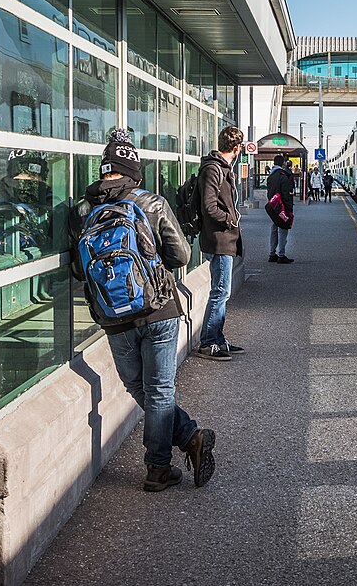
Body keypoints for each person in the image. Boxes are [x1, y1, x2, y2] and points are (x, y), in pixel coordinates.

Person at [72, 129, 216, 492]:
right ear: (133, 171)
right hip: (158, 310)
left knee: (139, 386)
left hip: (113, 318)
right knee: (160, 390)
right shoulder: (151, 202)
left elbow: (77, 268)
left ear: (104, 170)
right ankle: (164, 461)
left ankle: (182, 443)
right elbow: (181, 255)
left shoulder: (83, 209)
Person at [198, 125, 245, 361]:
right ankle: (208, 343)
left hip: (222, 238)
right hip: (218, 239)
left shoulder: (220, 168)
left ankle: (217, 339)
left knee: (222, 292)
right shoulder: (214, 169)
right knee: (220, 292)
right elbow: (209, 206)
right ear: (236, 148)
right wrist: (230, 219)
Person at [266, 153, 294, 264]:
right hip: (281, 207)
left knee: (274, 229)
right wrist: (289, 209)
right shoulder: (283, 175)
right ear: (283, 163)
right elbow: (286, 194)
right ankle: (281, 255)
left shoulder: (271, 176)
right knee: (283, 229)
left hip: (273, 206)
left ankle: (272, 254)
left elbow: (269, 192)